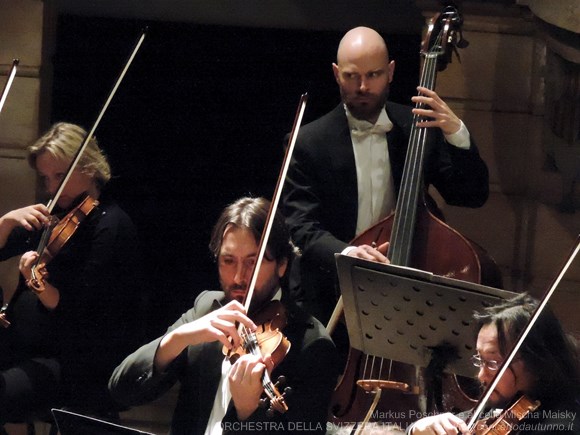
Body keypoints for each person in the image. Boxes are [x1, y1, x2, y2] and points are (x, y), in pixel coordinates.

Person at [282, 26, 490, 325]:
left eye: (373, 75)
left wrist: (456, 132)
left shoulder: (418, 128)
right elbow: (302, 227)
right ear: (336, 73)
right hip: (330, 297)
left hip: (405, 294)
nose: (363, 86)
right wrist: (348, 254)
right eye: (352, 76)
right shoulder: (307, 143)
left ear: (391, 72)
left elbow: (471, 195)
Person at [108, 197, 338, 434]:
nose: (238, 277)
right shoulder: (207, 308)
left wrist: (248, 412)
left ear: (281, 264)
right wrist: (177, 339)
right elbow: (121, 391)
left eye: (253, 262)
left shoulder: (312, 345)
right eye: (228, 261)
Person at [0, 123, 143, 427]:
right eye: (46, 178)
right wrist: (6, 222)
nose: (52, 189)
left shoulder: (111, 227)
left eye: (60, 176)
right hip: (23, 350)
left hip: (72, 365)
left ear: (89, 167)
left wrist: (38, 284)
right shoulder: (53, 219)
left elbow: (80, 314)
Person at [408, 293, 580, 434]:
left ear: (537, 361)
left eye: (493, 362)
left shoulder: (562, 427)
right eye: (480, 360)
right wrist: (418, 429)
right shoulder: (503, 409)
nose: (481, 375)